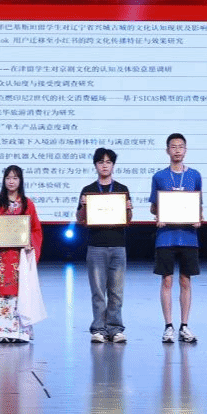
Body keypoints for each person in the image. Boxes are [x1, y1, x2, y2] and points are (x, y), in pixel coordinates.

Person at [0, 165, 45, 342]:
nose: (11, 181)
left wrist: (30, 243)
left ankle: (19, 332)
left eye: (15, 178)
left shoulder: (27, 204)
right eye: (8, 178)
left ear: (20, 181)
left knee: (20, 291)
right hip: (0, 256)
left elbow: (36, 229)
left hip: (19, 256)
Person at [149, 133, 201, 344]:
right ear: (167, 150)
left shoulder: (195, 175)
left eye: (181, 146)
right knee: (167, 280)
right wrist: (159, 215)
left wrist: (198, 218)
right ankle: (168, 326)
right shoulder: (159, 177)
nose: (177, 150)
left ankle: (184, 325)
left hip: (189, 237)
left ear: (185, 150)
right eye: (173, 146)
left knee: (186, 281)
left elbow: (198, 205)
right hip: (166, 237)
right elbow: (153, 207)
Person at [76, 147, 132, 343]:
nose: (105, 165)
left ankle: (115, 329)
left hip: (118, 246)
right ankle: (98, 329)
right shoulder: (88, 190)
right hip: (96, 247)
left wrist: (128, 209)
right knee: (98, 292)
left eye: (108, 162)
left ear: (113, 165)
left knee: (116, 292)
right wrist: (84, 206)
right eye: (101, 162)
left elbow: (128, 219)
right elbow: (80, 219)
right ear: (95, 165)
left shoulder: (122, 189)